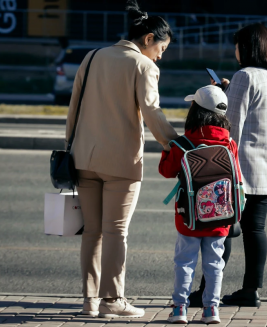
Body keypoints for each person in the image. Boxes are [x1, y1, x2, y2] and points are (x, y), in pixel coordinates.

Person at [65, 0, 178, 318]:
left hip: (83, 158)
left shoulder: (92, 56)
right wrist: (177, 143)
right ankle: (113, 301)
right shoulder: (144, 66)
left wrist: (69, 146)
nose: (161, 56)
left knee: (92, 232)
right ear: (148, 40)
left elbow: (73, 108)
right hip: (122, 163)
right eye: (162, 48)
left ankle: (90, 301)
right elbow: (153, 114)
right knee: (116, 231)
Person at [190, 23, 267, 308]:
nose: (235, 50)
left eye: (237, 45)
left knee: (224, 228)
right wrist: (230, 91)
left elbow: (232, 126)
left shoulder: (244, 75)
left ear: (247, 47)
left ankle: (208, 291)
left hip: (239, 165)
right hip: (266, 164)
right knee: (255, 229)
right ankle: (251, 290)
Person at [158, 86, 242, 324]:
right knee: (215, 263)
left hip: (189, 217)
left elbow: (165, 171)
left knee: (184, 261)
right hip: (221, 216)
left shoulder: (183, 143)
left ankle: (179, 309)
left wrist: (168, 150)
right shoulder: (229, 144)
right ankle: (211, 310)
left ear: (194, 110)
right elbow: (237, 178)